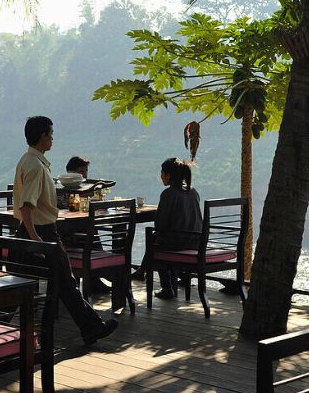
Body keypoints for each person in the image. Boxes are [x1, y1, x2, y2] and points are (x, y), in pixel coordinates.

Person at [13, 116, 118, 345]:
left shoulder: (31, 161)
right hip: (42, 232)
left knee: (52, 282)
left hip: (38, 231)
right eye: (51, 134)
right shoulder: (34, 165)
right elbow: (26, 205)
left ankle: (91, 327)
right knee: (59, 281)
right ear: (42, 136)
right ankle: (91, 327)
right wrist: (36, 238)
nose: (53, 138)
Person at [139, 157, 203, 300]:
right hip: (196, 242)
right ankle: (142, 271)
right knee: (158, 238)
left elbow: (160, 224)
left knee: (156, 240)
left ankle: (167, 287)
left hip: (178, 244)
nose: (161, 175)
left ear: (169, 175)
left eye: (162, 172)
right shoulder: (193, 192)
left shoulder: (168, 194)